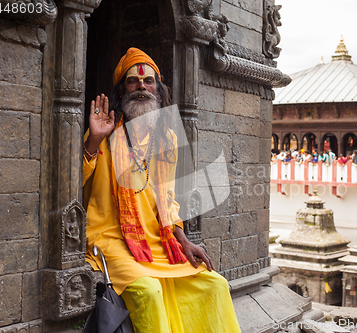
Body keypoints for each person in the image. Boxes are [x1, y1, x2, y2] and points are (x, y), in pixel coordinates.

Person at [83, 48, 240, 332]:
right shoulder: (105, 134)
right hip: (113, 242)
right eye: (133, 81)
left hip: (157, 241)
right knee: (150, 291)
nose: (141, 86)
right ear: (122, 91)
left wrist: (183, 240)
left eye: (148, 81)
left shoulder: (165, 139)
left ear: (158, 89)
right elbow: (77, 180)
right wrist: (93, 140)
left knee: (215, 285)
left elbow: (167, 201)